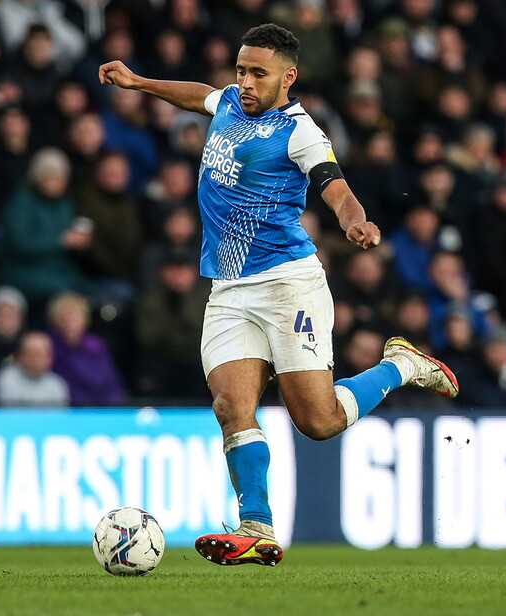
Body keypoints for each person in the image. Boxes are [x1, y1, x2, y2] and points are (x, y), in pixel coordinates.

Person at [99, 23, 459, 568]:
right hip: (227, 286)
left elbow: (334, 185)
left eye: (257, 74)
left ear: (287, 77)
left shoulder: (300, 131)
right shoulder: (228, 105)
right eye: (241, 69)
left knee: (318, 423)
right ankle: (257, 526)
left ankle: (400, 366)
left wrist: (355, 221)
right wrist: (139, 82)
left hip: (289, 284)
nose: (244, 81)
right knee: (229, 406)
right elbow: (199, 94)